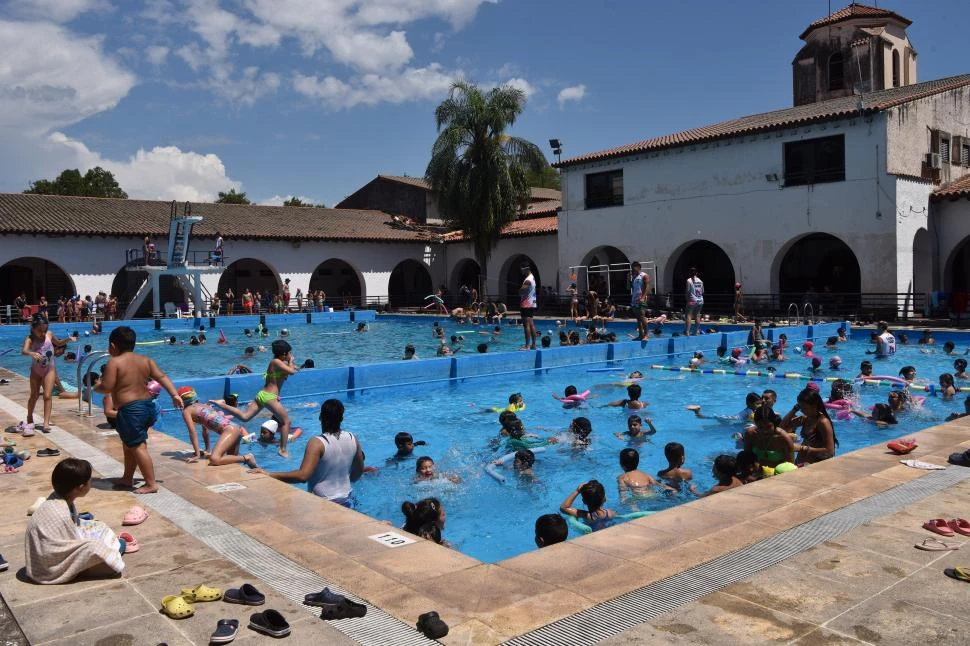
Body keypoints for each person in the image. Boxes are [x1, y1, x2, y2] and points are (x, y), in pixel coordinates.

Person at [96, 326, 183, 494]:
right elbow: (162, 377)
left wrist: (97, 386)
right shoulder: (145, 360)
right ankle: (127, 478)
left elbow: (107, 387)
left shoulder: (114, 362)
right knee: (129, 444)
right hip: (147, 407)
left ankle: (150, 483)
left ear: (113, 346)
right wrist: (174, 395)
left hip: (131, 410)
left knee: (137, 446)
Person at [25, 458, 126, 584]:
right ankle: (86, 567)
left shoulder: (58, 498)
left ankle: (110, 550)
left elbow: (72, 530)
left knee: (98, 526)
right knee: (102, 556)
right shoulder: (60, 512)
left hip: (47, 555)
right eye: (90, 481)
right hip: (49, 568)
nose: (91, 483)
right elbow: (70, 546)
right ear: (81, 487)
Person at [252, 399, 364, 507]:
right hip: (348, 500)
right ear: (342, 418)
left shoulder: (317, 443)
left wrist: (270, 474)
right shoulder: (352, 438)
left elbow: (303, 476)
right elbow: (358, 472)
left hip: (325, 504)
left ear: (320, 417)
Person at [211, 339, 297, 457]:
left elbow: (290, 371)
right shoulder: (275, 362)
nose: (291, 355)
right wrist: (291, 361)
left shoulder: (280, 364)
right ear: (284, 354)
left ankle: (222, 404)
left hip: (264, 395)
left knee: (245, 417)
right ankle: (282, 449)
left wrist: (290, 364)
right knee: (286, 421)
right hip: (269, 397)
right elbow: (292, 372)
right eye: (290, 353)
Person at [21, 317, 68, 432]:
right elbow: (24, 351)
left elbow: (59, 343)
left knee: (47, 396)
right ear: (33, 329)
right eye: (40, 330)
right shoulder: (30, 338)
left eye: (45, 330)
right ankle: (29, 416)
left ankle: (46, 423)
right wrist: (31, 353)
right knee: (34, 395)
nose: (43, 333)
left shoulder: (49, 335)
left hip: (49, 369)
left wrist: (68, 339)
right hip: (36, 371)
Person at [782, 388, 837, 465]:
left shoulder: (823, 422)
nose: (802, 411)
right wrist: (794, 409)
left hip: (814, 464)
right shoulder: (806, 418)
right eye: (800, 408)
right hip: (801, 462)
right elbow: (782, 426)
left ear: (815, 405)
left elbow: (830, 451)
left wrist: (802, 448)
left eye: (805, 408)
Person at [519, 264, 539, 350]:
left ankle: (527, 346)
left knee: (526, 325)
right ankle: (533, 345)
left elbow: (521, 291)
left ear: (527, 269)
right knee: (531, 324)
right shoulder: (532, 277)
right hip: (531, 303)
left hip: (526, 304)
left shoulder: (527, 280)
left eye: (522, 270)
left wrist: (519, 290)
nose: (521, 272)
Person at [629, 262, 650, 340]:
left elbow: (647, 287)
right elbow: (630, 288)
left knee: (642, 316)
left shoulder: (644, 276)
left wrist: (643, 297)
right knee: (638, 318)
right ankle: (641, 334)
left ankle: (646, 335)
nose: (631, 269)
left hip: (642, 299)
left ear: (637, 267)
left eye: (633, 267)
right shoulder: (634, 277)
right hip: (634, 299)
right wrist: (629, 280)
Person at [684, 267, 704, 336]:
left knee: (688, 315)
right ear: (697, 273)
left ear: (690, 273)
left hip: (692, 300)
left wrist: (687, 299)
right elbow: (702, 291)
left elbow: (688, 291)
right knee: (697, 315)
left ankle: (687, 332)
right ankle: (696, 332)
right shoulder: (700, 281)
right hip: (700, 300)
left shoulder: (689, 280)